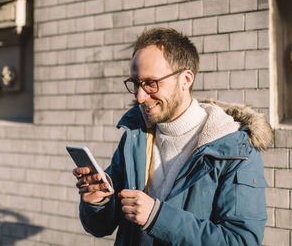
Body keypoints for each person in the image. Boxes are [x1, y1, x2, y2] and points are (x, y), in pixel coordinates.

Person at [73, 28, 273, 246]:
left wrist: (158, 218)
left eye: (151, 83)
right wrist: (99, 202)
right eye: (136, 83)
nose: (140, 97)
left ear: (185, 79)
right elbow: (101, 226)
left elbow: (241, 241)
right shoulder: (136, 136)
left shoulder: (236, 151)